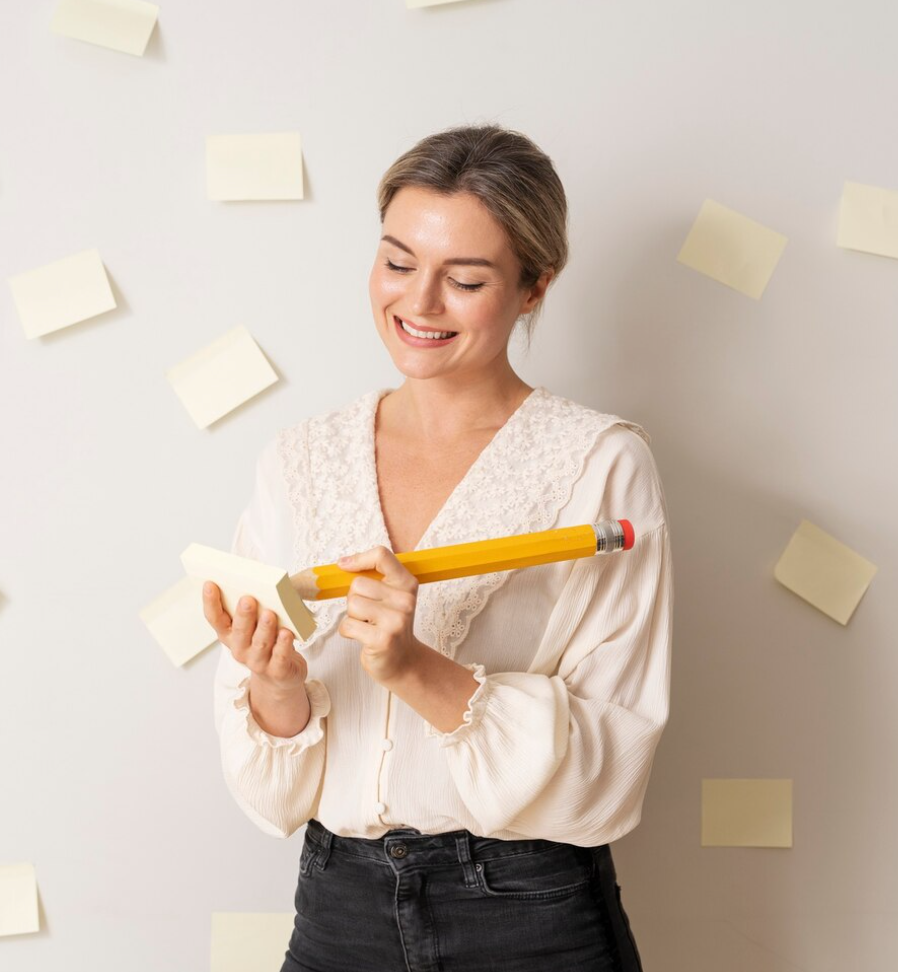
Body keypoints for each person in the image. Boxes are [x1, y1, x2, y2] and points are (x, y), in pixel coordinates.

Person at [204, 123, 671, 972]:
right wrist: (277, 685)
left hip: (527, 914)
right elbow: (281, 789)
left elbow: (612, 771)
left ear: (534, 288)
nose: (419, 304)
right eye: (396, 261)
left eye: (464, 279)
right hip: (338, 906)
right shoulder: (300, 457)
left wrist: (414, 666)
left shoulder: (601, 466)